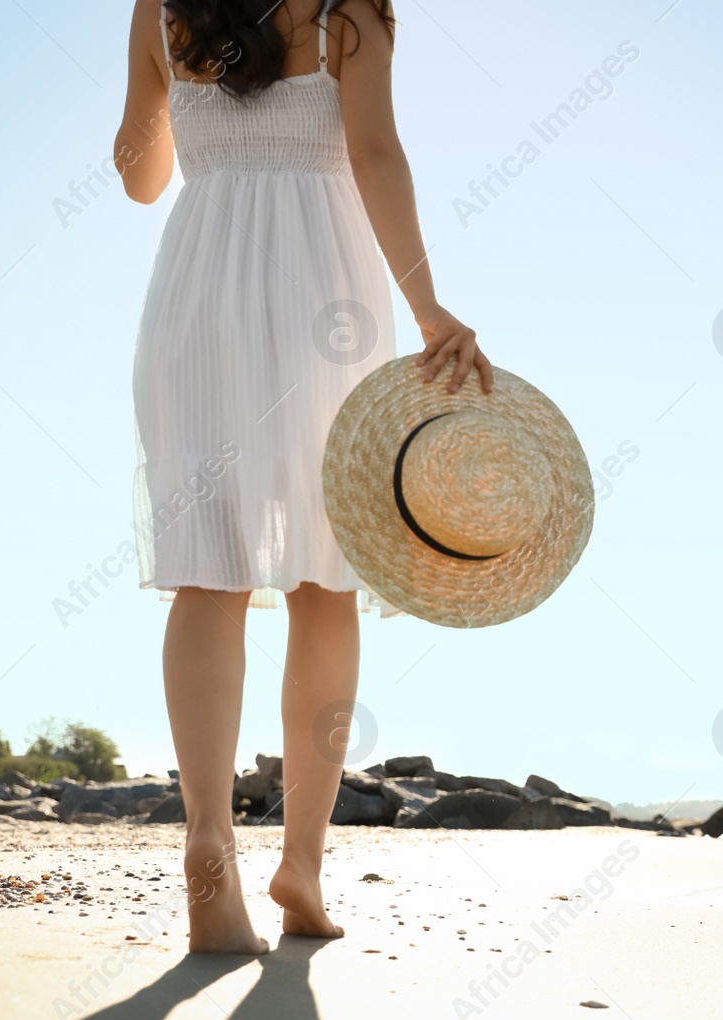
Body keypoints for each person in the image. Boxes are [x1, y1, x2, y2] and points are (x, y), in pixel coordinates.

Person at [113, 0, 491, 952]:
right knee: (328, 579)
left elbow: (139, 177)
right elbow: (375, 156)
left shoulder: (161, 9)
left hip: (197, 296)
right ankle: (303, 864)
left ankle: (208, 838)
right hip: (326, 293)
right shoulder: (346, 10)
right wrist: (429, 305)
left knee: (206, 573)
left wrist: (175, 88)